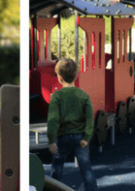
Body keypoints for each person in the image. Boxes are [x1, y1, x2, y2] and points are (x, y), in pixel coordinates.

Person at [48, 58, 98, 191]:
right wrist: (87, 137)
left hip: (62, 136)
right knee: (86, 167)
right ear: (76, 75)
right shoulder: (83, 95)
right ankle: (92, 189)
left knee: (57, 166)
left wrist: (51, 140)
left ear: (59, 77)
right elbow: (89, 118)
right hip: (80, 136)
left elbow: (53, 120)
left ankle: (53, 189)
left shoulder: (56, 97)